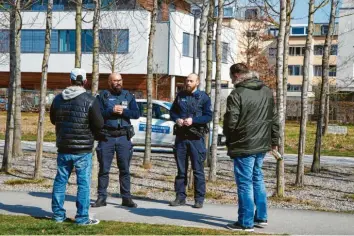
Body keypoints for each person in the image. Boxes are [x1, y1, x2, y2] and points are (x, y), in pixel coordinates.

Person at [223, 63, 279, 232]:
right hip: (262, 144)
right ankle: (261, 217)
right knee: (257, 179)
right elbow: (274, 119)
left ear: (237, 75)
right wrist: (274, 140)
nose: (232, 80)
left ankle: (245, 222)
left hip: (244, 144)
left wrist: (229, 139)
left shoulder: (237, 94)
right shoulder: (267, 91)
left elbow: (230, 122)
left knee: (245, 183)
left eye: (232, 77)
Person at [50, 68, 104, 225]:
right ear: (85, 81)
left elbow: (54, 120)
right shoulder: (90, 99)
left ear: (70, 80)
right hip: (83, 149)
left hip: (64, 147)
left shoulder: (58, 99)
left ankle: (58, 216)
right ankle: (82, 218)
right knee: (83, 184)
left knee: (60, 181)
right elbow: (99, 124)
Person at [91, 73, 140, 208]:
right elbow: (98, 114)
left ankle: (126, 197)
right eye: (114, 81)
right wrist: (111, 110)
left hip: (124, 137)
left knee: (124, 169)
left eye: (119, 80)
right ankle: (101, 198)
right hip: (107, 137)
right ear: (109, 82)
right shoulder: (102, 96)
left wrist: (123, 112)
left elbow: (136, 114)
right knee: (104, 169)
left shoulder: (128, 96)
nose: (117, 83)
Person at [169, 73, 212, 209]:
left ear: (197, 82)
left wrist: (194, 121)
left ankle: (199, 199)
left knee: (198, 170)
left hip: (196, 138)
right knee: (181, 170)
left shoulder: (203, 97)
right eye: (187, 80)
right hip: (181, 138)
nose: (188, 83)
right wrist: (177, 119)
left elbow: (208, 116)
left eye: (191, 81)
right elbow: (172, 112)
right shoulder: (180, 96)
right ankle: (180, 197)